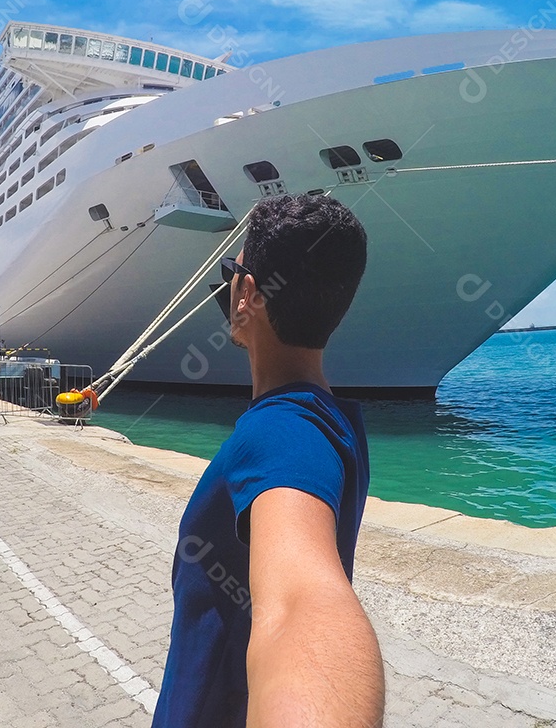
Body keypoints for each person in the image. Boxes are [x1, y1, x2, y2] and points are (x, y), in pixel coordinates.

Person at [152, 193, 384, 728]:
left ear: (246, 295)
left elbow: (304, 605)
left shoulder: (279, 433)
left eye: (234, 275)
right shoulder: (333, 420)